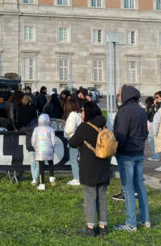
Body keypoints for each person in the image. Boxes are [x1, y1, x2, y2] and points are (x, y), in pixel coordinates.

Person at [69, 101, 110, 237]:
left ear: (87, 112)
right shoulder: (104, 124)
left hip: (89, 167)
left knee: (90, 197)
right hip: (103, 165)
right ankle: (103, 227)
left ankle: (90, 228)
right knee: (102, 197)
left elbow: (73, 143)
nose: (81, 113)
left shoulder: (84, 127)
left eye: (83, 111)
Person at [113, 85, 150, 232]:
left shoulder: (124, 111)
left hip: (127, 153)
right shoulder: (141, 110)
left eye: (119, 94)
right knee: (140, 186)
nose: (118, 96)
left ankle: (131, 223)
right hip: (139, 151)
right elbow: (145, 132)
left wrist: (117, 150)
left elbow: (120, 134)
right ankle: (145, 219)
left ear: (126, 95)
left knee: (127, 188)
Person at [31, 113, 56, 190]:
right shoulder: (51, 129)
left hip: (39, 151)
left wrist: (36, 148)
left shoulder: (36, 129)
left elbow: (33, 140)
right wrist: (52, 148)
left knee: (41, 167)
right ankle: (51, 177)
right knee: (51, 162)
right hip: (49, 150)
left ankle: (42, 184)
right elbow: (53, 141)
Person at [20, 95, 39, 185]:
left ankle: (34, 178)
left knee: (32, 159)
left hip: (26, 134)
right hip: (35, 136)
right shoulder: (33, 109)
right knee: (38, 160)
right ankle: (35, 177)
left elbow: (19, 120)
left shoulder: (21, 109)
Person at [64, 96, 82, 186]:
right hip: (79, 139)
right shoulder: (78, 114)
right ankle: (77, 177)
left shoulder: (72, 115)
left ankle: (77, 178)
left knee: (73, 159)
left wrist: (66, 133)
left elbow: (70, 129)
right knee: (77, 159)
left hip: (73, 139)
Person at [153, 90, 161, 171]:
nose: (156, 99)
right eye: (155, 97)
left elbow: (159, 115)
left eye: (157, 97)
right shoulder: (158, 105)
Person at [145, 97, 159, 162]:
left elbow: (147, 115)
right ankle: (155, 156)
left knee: (152, 141)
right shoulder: (155, 106)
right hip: (154, 123)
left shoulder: (151, 107)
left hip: (153, 123)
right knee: (153, 141)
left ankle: (155, 156)